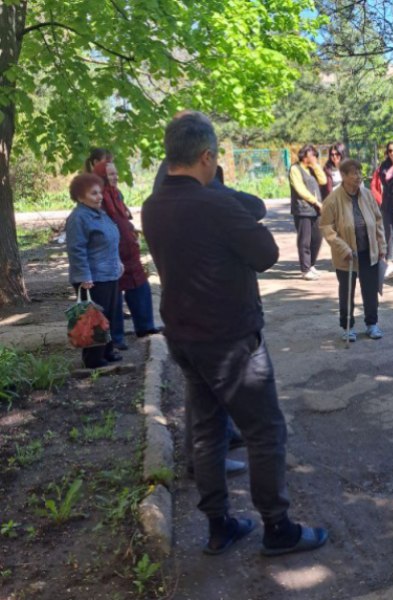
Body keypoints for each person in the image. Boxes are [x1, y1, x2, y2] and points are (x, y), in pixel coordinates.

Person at [142, 112, 327, 556]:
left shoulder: (153, 206)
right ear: (207, 156)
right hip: (230, 341)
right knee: (265, 432)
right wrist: (226, 200)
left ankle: (219, 524)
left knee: (207, 432)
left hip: (183, 338)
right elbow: (265, 254)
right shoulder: (217, 204)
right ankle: (278, 527)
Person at [92, 161, 160, 349]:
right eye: (111, 174)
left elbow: (123, 218)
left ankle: (145, 326)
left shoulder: (116, 194)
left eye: (116, 173)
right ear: (103, 177)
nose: (116, 177)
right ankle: (117, 338)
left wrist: (131, 230)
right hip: (113, 254)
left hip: (129, 251)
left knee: (140, 287)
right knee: (114, 299)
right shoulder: (99, 197)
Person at [320, 159, 387, 341]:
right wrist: (343, 248)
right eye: (354, 173)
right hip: (347, 256)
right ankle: (347, 327)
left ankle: (372, 324)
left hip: (369, 252)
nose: (358, 176)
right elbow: (326, 227)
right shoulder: (332, 200)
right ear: (343, 175)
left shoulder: (367, 195)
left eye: (359, 172)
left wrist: (382, 246)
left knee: (370, 290)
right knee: (347, 291)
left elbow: (378, 221)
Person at [65, 173, 124, 369]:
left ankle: (106, 351)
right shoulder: (78, 218)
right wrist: (84, 276)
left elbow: (111, 240)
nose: (99, 197)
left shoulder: (100, 213)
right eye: (93, 193)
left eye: (100, 192)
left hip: (110, 273)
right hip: (92, 277)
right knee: (93, 319)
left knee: (109, 316)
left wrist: (118, 262)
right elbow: (76, 249)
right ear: (80, 197)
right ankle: (93, 358)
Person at [289, 144, 327, 280]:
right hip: (302, 209)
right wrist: (315, 201)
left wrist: (316, 165)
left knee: (317, 237)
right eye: (312, 155)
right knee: (304, 240)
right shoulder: (295, 169)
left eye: (315, 155)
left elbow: (323, 180)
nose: (314, 157)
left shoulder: (312, 169)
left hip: (315, 210)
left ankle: (311, 264)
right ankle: (305, 269)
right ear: (304, 155)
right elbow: (300, 189)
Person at [370, 141, 393, 275]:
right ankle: (390, 260)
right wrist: (380, 199)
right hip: (386, 203)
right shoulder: (383, 166)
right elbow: (375, 185)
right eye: (390, 151)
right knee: (388, 233)